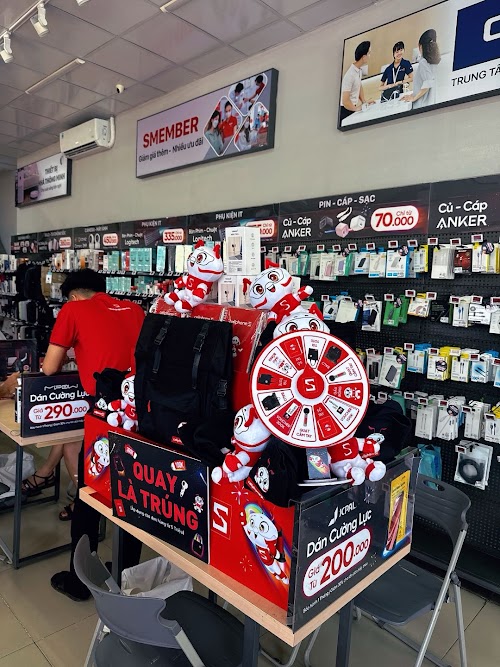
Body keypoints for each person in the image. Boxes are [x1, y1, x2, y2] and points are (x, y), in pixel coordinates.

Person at [42, 269, 145, 601]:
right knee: (132, 496)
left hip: (105, 413)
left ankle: (78, 581)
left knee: (89, 495)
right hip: (140, 414)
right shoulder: (134, 309)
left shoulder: (73, 310)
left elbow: (49, 367)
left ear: (72, 296)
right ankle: (126, 576)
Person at [402, 29, 441, 109]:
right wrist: (412, 95)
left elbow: (428, 83)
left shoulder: (423, 62)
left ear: (420, 46)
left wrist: (413, 98)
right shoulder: (435, 62)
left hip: (421, 105)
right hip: (430, 103)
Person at [340, 41, 375, 123]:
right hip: (346, 110)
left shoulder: (359, 70)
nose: (370, 56)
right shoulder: (350, 75)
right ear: (364, 56)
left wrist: (364, 102)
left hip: (352, 107)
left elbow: (359, 86)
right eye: (369, 53)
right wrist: (356, 109)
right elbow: (345, 101)